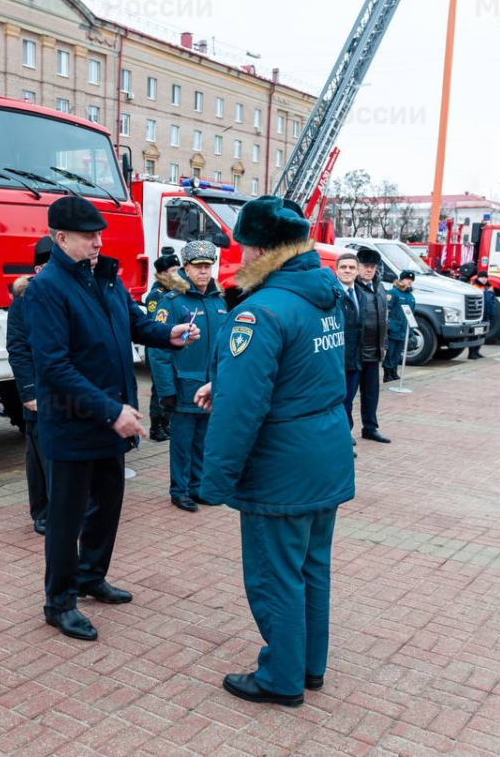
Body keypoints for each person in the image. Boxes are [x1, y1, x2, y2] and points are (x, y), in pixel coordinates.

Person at [193, 195, 355, 707]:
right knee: (311, 568)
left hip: (280, 468)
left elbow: (242, 410)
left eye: (244, 247)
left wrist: (214, 481)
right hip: (324, 456)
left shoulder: (259, 311)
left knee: (274, 576)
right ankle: (308, 666)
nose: (238, 258)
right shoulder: (322, 296)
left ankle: (280, 678)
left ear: (263, 249)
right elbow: (307, 376)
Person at [25, 196, 198, 641]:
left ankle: (90, 576)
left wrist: (170, 335)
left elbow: (133, 323)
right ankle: (58, 602)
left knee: (108, 505)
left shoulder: (103, 277)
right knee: (66, 519)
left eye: (99, 234)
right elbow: (54, 367)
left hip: (110, 419)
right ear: (60, 239)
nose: (98, 242)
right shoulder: (47, 289)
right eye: (88, 237)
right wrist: (111, 409)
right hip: (74, 423)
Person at [150, 240, 230, 512]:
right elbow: (158, 349)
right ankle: (179, 490)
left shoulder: (219, 300)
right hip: (183, 386)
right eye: (198, 267)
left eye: (208, 266)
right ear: (186, 268)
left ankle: (197, 487)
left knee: (204, 443)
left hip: (210, 386)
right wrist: (166, 390)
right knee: (182, 444)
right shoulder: (172, 301)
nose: (204, 272)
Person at [7, 236, 52, 535]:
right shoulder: (23, 302)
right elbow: (18, 348)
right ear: (37, 269)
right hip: (37, 391)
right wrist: (28, 392)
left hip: (67, 393)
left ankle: (67, 507)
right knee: (38, 455)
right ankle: (43, 512)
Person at [143, 248, 181, 442]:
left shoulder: (173, 292)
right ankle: (155, 427)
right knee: (159, 388)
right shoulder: (156, 295)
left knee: (169, 385)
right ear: (164, 273)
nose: (178, 273)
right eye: (174, 270)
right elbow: (153, 325)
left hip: (169, 345)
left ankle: (166, 424)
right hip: (157, 347)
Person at [353, 247, 390, 443]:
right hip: (356, 350)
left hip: (374, 350)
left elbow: (385, 318)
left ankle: (370, 427)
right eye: (365, 266)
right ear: (358, 266)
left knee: (371, 394)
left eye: (372, 267)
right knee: (348, 395)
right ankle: (345, 432)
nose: (369, 270)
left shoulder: (380, 287)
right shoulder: (353, 287)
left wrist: (383, 344)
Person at [332, 253, 361, 451]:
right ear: (336, 270)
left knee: (349, 401)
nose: (348, 271)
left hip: (355, 360)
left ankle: (346, 434)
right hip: (335, 360)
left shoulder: (362, 295)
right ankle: (341, 439)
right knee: (337, 402)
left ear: (357, 271)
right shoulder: (331, 294)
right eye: (343, 267)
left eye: (351, 267)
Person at [384, 270, 415, 380]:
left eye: (411, 280)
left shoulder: (411, 297)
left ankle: (394, 371)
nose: (409, 282)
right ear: (401, 280)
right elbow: (386, 310)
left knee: (398, 353)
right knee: (390, 352)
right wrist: (387, 327)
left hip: (404, 331)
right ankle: (387, 373)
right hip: (393, 329)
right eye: (407, 279)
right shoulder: (393, 293)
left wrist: (410, 331)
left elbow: (411, 314)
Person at [467, 272, 494, 360]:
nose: (484, 279)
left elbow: (492, 300)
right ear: (478, 278)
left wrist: (492, 312)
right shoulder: (474, 286)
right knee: (475, 334)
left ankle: (477, 351)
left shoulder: (489, 287)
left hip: (487, 314)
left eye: (485, 277)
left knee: (483, 334)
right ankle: (471, 353)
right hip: (478, 315)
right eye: (482, 277)